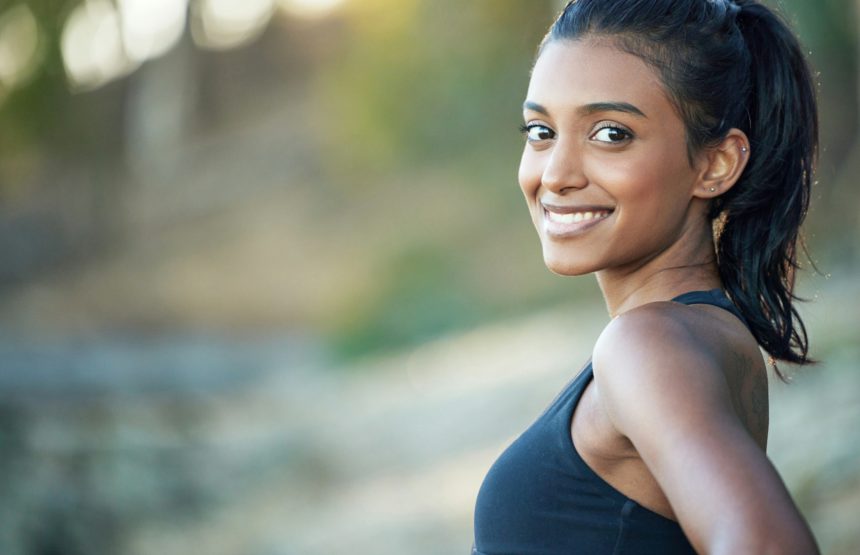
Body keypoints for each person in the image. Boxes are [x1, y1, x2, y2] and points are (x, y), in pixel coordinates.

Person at [471, 0, 821, 553]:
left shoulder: (649, 345)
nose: (556, 175)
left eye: (611, 134)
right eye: (540, 130)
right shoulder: (699, 333)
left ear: (715, 164)